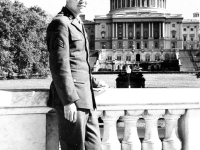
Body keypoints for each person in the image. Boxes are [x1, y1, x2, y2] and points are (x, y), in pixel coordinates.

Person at [46, 0, 107, 149]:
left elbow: (78, 62)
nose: (83, 1)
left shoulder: (76, 22)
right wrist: (68, 101)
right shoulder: (60, 23)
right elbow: (59, 64)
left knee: (95, 147)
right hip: (73, 100)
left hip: (86, 99)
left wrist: (93, 81)